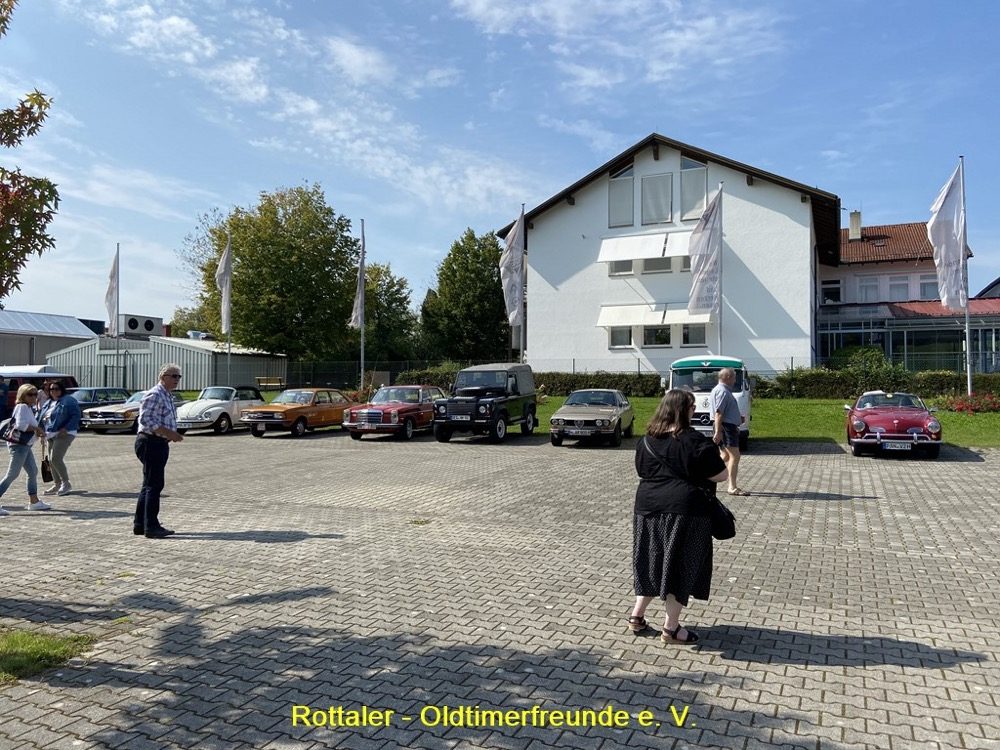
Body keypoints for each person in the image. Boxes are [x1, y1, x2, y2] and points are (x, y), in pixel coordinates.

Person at [628, 389, 728, 643]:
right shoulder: (695, 441)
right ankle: (671, 628)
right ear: (684, 410)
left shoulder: (646, 440)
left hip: (647, 508)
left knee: (651, 561)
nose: (695, 411)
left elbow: (641, 470)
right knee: (679, 567)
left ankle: (637, 616)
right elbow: (721, 475)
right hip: (685, 511)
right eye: (693, 407)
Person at [133, 363, 184, 539]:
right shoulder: (155, 394)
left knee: (149, 484)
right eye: (173, 376)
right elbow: (146, 420)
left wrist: (170, 434)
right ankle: (152, 527)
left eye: (179, 376)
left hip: (158, 443)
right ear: (163, 377)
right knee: (154, 485)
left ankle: (141, 524)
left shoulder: (167, 395)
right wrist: (169, 433)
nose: (177, 379)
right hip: (150, 442)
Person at [0, 384, 52, 515]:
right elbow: (20, 425)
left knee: (33, 471)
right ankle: (33, 501)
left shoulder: (28, 408)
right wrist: (37, 429)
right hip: (19, 446)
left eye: (35, 394)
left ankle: (34, 501)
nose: (33, 397)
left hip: (25, 445)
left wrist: (38, 432)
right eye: (30, 394)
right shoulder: (22, 407)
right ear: (23, 395)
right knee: (12, 474)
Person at [39, 379, 81, 496]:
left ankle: (66, 483)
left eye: (56, 389)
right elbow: (41, 417)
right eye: (51, 389)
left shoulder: (68, 400)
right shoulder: (48, 402)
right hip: (50, 433)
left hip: (65, 433)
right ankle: (57, 484)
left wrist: (66, 428)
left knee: (55, 458)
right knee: (51, 461)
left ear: (61, 389)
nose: (53, 391)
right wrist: (41, 432)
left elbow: (76, 415)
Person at [711, 368, 748, 496]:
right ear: (728, 377)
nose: (735, 380)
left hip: (726, 426)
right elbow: (719, 412)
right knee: (735, 456)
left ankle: (706, 476)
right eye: (734, 377)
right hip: (726, 428)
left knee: (725, 456)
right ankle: (732, 487)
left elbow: (723, 411)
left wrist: (737, 417)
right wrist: (718, 431)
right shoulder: (722, 391)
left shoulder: (721, 390)